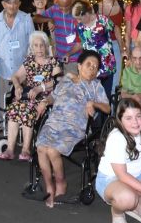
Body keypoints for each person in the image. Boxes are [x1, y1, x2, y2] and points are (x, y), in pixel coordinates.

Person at [35, 51, 111, 207]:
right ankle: (49, 185)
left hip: (74, 127)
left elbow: (108, 108)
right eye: (89, 64)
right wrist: (44, 102)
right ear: (79, 66)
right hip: (54, 121)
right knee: (41, 148)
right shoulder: (67, 79)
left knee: (53, 151)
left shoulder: (96, 86)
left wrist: (93, 103)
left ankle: (61, 183)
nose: (92, 69)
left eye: (95, 67)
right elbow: (53, 97)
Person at [0, 32, 63, 161]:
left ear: (46, 46)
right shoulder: (29, 61)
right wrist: (17, 86)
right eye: (36, 45)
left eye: (41, 45)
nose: (39, 49)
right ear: (32, 47)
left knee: (27, 111)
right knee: (13, 109)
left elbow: (58, 81)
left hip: (44, 97)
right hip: (28, 96)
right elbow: (15, 76)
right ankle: (10, 149)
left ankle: (26, 150)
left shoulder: (53, 61)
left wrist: (40, 88)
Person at [0, 0, 34, 117]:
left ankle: (23, 123)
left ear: (19, 3)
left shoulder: (26, 18)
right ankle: (2, 126)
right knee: (2, 100)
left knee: (23, 98)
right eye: (9, 3)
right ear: (3, 4)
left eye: (15, 3)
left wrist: (30, 61)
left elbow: (32, 41)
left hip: (22, 67)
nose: (12, 6)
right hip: (3, 66)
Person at [74, 1, 117, 98]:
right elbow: (82, 44)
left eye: (80, 18)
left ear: (87, 14)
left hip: (105, 63)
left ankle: (104, 112)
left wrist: (122, 49)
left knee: (105, 94)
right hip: (89, 65)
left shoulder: (102, 20)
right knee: (90, 94)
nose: (78, 21)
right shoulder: (80, 27)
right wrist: (68, 54)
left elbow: (116, 30)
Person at [40, 0, 80, 75]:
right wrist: (49, 19)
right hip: (59, 56)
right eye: (61, 7)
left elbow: (82, 42)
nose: (64, 10)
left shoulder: (79, 12)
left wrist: (68, 54)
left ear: (72, 2)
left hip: (73, 58)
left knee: (70, 85)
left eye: (67, 7)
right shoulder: (54, 9)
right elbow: (36, 18)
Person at [94, 0, 126, 82]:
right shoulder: (95, 7)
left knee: (116, 75)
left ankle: (113, 96)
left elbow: (132, 23)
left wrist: (124, 48)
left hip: (116, 44)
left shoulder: (122, 5)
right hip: (101, 45)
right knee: (101, 74)